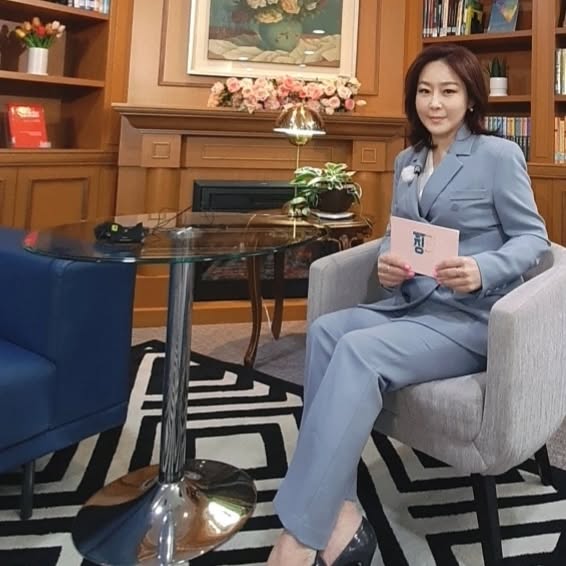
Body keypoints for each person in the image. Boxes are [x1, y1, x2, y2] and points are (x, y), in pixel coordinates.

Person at [267, 43, 549, 566]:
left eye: (448, 91)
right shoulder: (407, 161)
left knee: (359, 352)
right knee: (327, 331)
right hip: (411, 304)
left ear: (470, 98)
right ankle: (340, 507)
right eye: (424, 91)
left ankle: (300, 536)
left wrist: (483, 269)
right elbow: (399, 237)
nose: (434, 103)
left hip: (469, 318)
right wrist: (387, 265)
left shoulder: (497, 155)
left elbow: (533, 239)